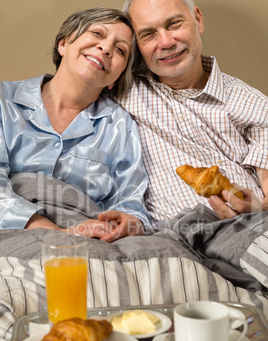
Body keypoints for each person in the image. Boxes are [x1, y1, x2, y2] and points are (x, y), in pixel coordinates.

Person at [0, 8, 151, 242]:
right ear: (63, 43)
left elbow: (130, 202)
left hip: (91, 243)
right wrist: (56, 233)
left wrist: (130, 221)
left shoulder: (121, 126)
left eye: (120, 49)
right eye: (97, 34)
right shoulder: (3, 99)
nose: (106, 48)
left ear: (117, 79)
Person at [119, 0, 268, 225]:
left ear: (198, 19)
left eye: (174, 23)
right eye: (148, 34)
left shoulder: (252, 103)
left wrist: (257, 209)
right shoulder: (120, 93)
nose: (166, 42)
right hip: (170, 240)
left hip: (250, 229)